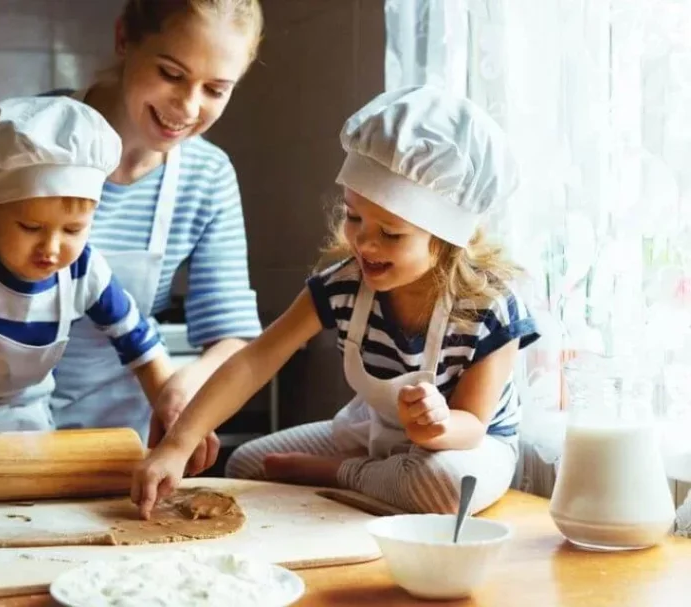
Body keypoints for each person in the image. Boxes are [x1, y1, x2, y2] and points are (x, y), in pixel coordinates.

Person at [0, 0, 266, 490]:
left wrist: (184, 382)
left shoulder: (207, 177)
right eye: (170, 73)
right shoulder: (20, 142)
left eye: (215, 89)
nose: (187, 107)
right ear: (125, 39)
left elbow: (231, 337)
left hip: (113, 461)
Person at [131, 85, 541, 518]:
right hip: (378, 433)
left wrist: (438, 426)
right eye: (354, 217)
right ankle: (373, 471)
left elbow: (473, 425)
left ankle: (342, 473)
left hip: (468, 447)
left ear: (445, 239)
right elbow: (257, 360)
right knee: (245, 464)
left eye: (391, 233)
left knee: (441, 486)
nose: (364, 241)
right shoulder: (344, 284)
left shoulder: (490, 306)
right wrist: (179, 444)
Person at [0, 96, 175, 472]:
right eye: (31, 227)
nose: (52, 249)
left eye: (73, 230)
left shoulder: (85, 270)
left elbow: (141, 348)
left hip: (27, 428)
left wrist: (176, 421)